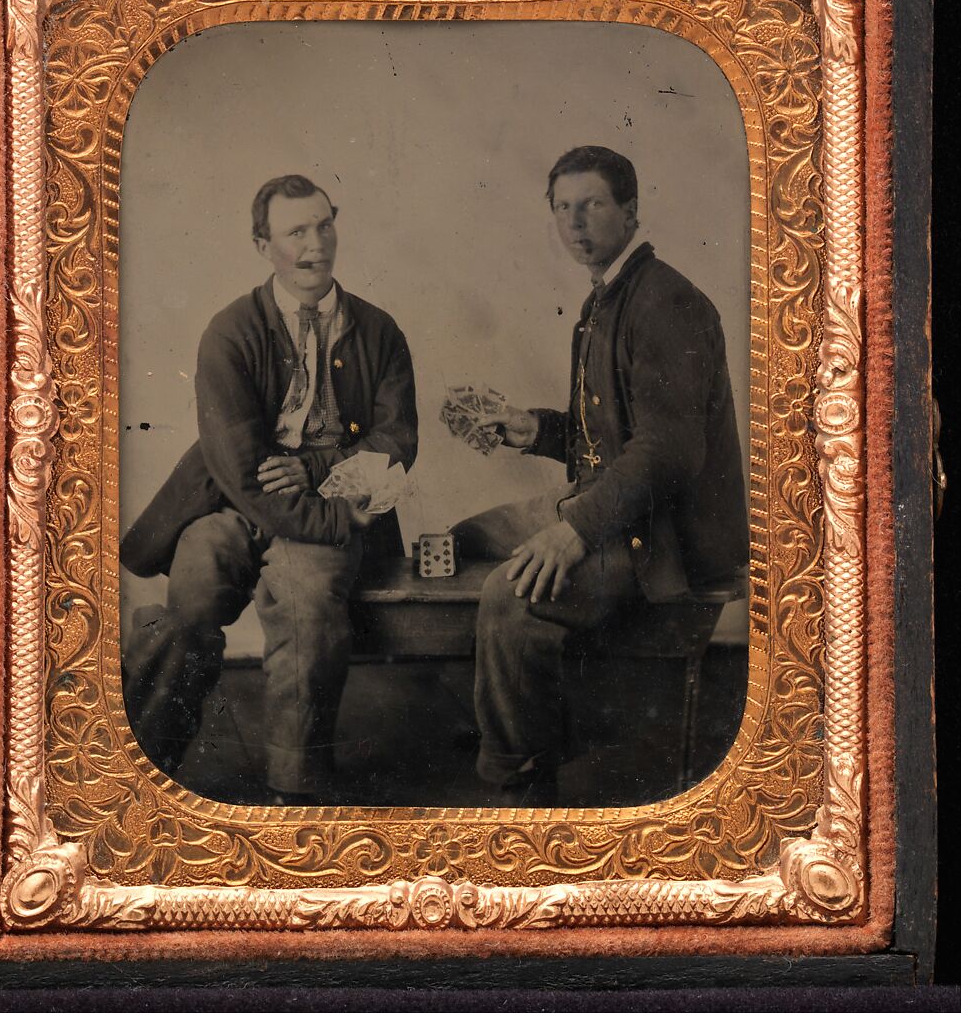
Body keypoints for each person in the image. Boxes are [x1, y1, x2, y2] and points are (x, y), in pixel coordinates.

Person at [452, 145, 747, 804]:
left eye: (592, 205)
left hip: (661, 537)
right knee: (466, 538)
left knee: (508, 594)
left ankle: (521, 777)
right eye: (562, 208)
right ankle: (513, 717)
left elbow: (669, 451)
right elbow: (613, 438)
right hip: (617, 507)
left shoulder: (665, 302)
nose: (575, 222)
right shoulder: (611, 296)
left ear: (630, 211)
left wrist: (573, 531)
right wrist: (538, 429)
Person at [120, 174, 417, 803]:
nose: (316, 244)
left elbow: (398, 442)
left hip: (330, 496)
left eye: (324, 225)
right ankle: (143, 769)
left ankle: (296, 792)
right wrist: (337, 524)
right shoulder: (229, 333)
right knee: (190, 602)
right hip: (233, 502)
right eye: (296, 232)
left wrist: (316, 469)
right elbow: (239, 465)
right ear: (264, 245)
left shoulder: (381, 331)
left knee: (310, 610)